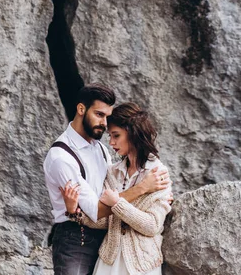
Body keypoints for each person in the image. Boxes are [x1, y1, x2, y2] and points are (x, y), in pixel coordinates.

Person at [43, 86, 170, 275]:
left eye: (107, 118)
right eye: (99, 115)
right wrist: (143, 188)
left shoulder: (101, 150)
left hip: (119, 249)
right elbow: (98, 211)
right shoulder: (62, 157)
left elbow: (134, 221)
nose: (104, 123)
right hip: (76, 238)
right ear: (81, 109)